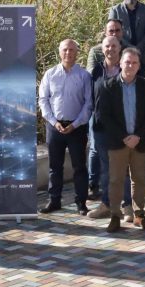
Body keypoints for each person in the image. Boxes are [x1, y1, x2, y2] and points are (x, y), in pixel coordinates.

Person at [98, 47, 145, 233]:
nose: (130, 65)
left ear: (139, 65)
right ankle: (115, 216)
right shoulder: (107, 86)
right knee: (116, 179)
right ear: (120, 63)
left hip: (139, 141)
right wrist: (124, 137)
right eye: (127, 62)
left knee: (139, 179)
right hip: (118, 142)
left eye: (134, 62)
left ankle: (139, 214)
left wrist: (138, 135)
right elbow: (103, 116)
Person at [38, 39, 92, 214]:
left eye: (72, 50)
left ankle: (81, 202)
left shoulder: (84, 76)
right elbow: (43, 100)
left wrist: (75, 124)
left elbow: (88, 103)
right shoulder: (50, 74)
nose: (68, 53)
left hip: (77, 128)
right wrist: (54, 122)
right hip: (55, 127)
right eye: (65, 50)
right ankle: (54, 201)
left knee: (79, 167)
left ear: (77, 52)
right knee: (55, 166)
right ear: (59, 52)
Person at [86, 35, 131, 221]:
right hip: (101, 127)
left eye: (114, 46)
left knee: (123, 168)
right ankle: (106, 204)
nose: (110, 49)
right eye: (107, 46)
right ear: (102, 49)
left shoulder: (128, 68)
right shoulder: (96, 71)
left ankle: (128, 206)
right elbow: (90, 98)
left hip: (123, 127)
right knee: (106, 169)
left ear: (119, 48)